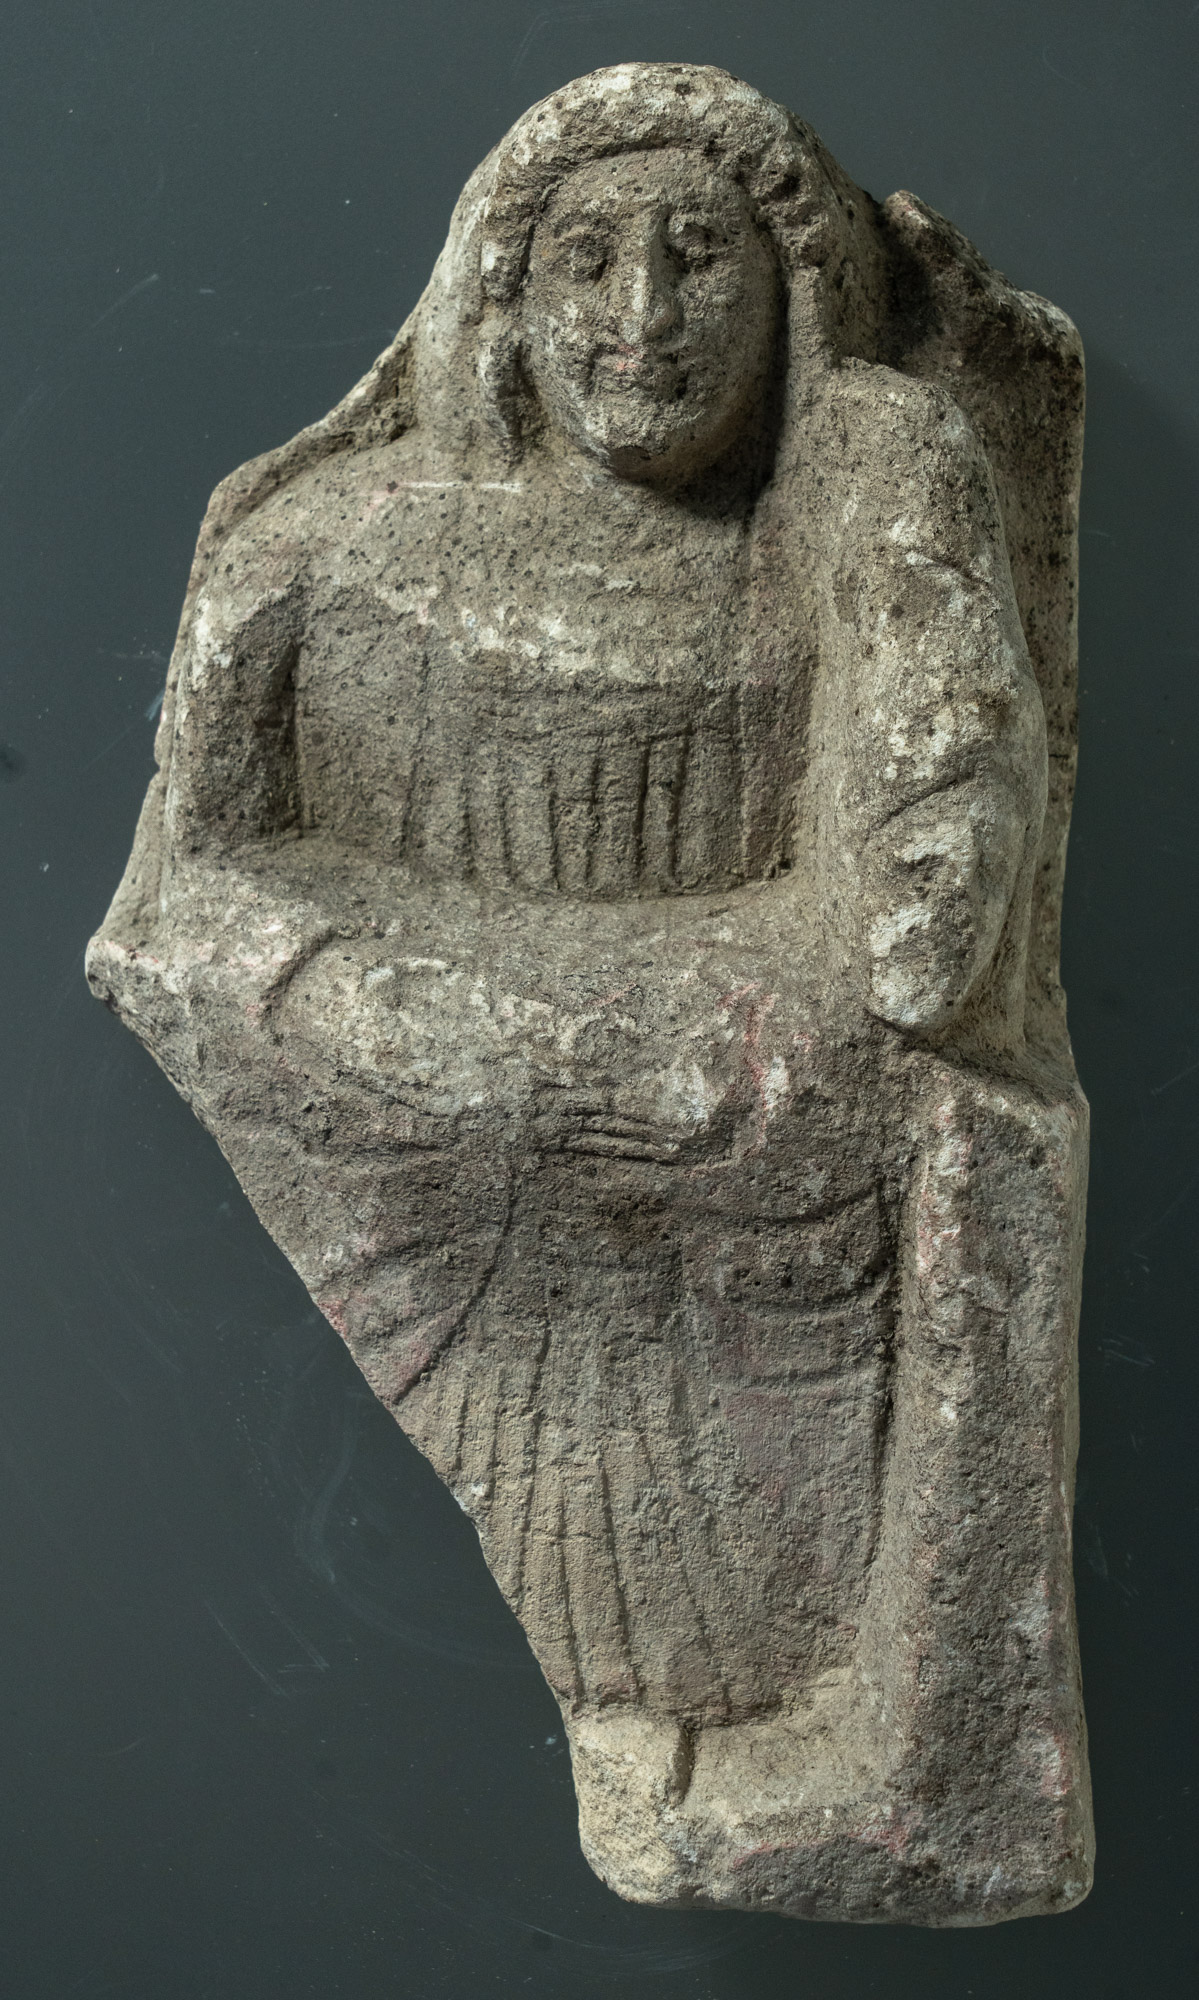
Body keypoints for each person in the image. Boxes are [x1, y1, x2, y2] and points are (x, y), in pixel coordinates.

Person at [89, 65, 1091, 1918]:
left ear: (795, 293)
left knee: (949, 1131)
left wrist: (906, 472)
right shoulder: (317, 551)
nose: (642, 316)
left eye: (702, 257)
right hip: (444, 1189)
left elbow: (923, 955)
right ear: (500, 289)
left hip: (762, 1217)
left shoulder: (841, 515)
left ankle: (848, 1746)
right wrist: (378, 1017)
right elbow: (163, 918)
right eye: (587, 260)